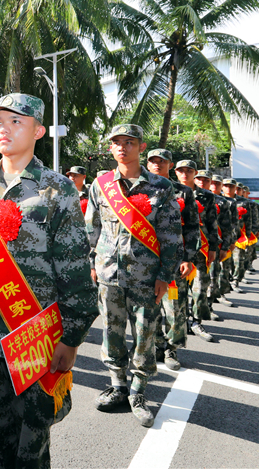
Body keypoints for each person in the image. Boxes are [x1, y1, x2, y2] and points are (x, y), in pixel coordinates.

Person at [0, 93, 98, 468]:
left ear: (39, 130)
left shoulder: (57, 189)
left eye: (16, 121)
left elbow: (75, 270)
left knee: (30, 446)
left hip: (36, 337)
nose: (4, 128)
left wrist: (72, 337)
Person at [87, 124, 182, 427]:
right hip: (109, 275)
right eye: (117, 142)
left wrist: (165, 275)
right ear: (111, 148)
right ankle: (118, 386)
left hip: (146, 276)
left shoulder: (162, 187)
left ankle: (138, 392)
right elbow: (92, 229)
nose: (123, 148)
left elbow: (171, 236)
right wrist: (92, 263)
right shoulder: (101, 184)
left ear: (141, 147)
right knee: (111, 332)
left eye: (130, 142)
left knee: (145, 336)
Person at [145, 150, 201, 366]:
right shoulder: (139, 189)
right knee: (150, 306)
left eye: (163, 162)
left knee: (174, 306)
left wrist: (189, 258)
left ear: (170, 165)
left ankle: (172, 349)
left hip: (175, 260)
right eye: (154, 161)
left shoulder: (183, 192)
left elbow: (193, 227)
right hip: (146, 259)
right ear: (148, 164)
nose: (158, 165)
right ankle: (156, 345)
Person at [174, 160, 221, 341]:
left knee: (200, 286)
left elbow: (212, 223)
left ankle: (196, 321)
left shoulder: (207, 196)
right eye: (181, 170)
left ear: (194, 173)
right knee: (179, 289)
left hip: (201, 247)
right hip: (179, 247)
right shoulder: (170, 191)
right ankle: (181, 320)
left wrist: (214, 248)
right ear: (176, 172)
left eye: (189, 171)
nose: (185, 174)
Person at [196, 171, 236, 308]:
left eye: (216, 183)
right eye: (212, 182)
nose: (212, 185)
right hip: (189, 246)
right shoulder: (185, 195)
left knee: (211, 277)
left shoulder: (221, 202)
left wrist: (226, 246)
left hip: (211, 245)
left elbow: (227, 226)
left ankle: (209, 305)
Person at [221, 179, 250, 294]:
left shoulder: (244, 202)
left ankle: (235, 281)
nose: (229, 188)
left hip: (239, 236)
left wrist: (248, 235)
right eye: (226, 186)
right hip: (223, 237)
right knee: (224, 264)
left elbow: (249, 220)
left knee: (238, 260)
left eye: (232, 186)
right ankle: (222, 287)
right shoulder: (218, 200)